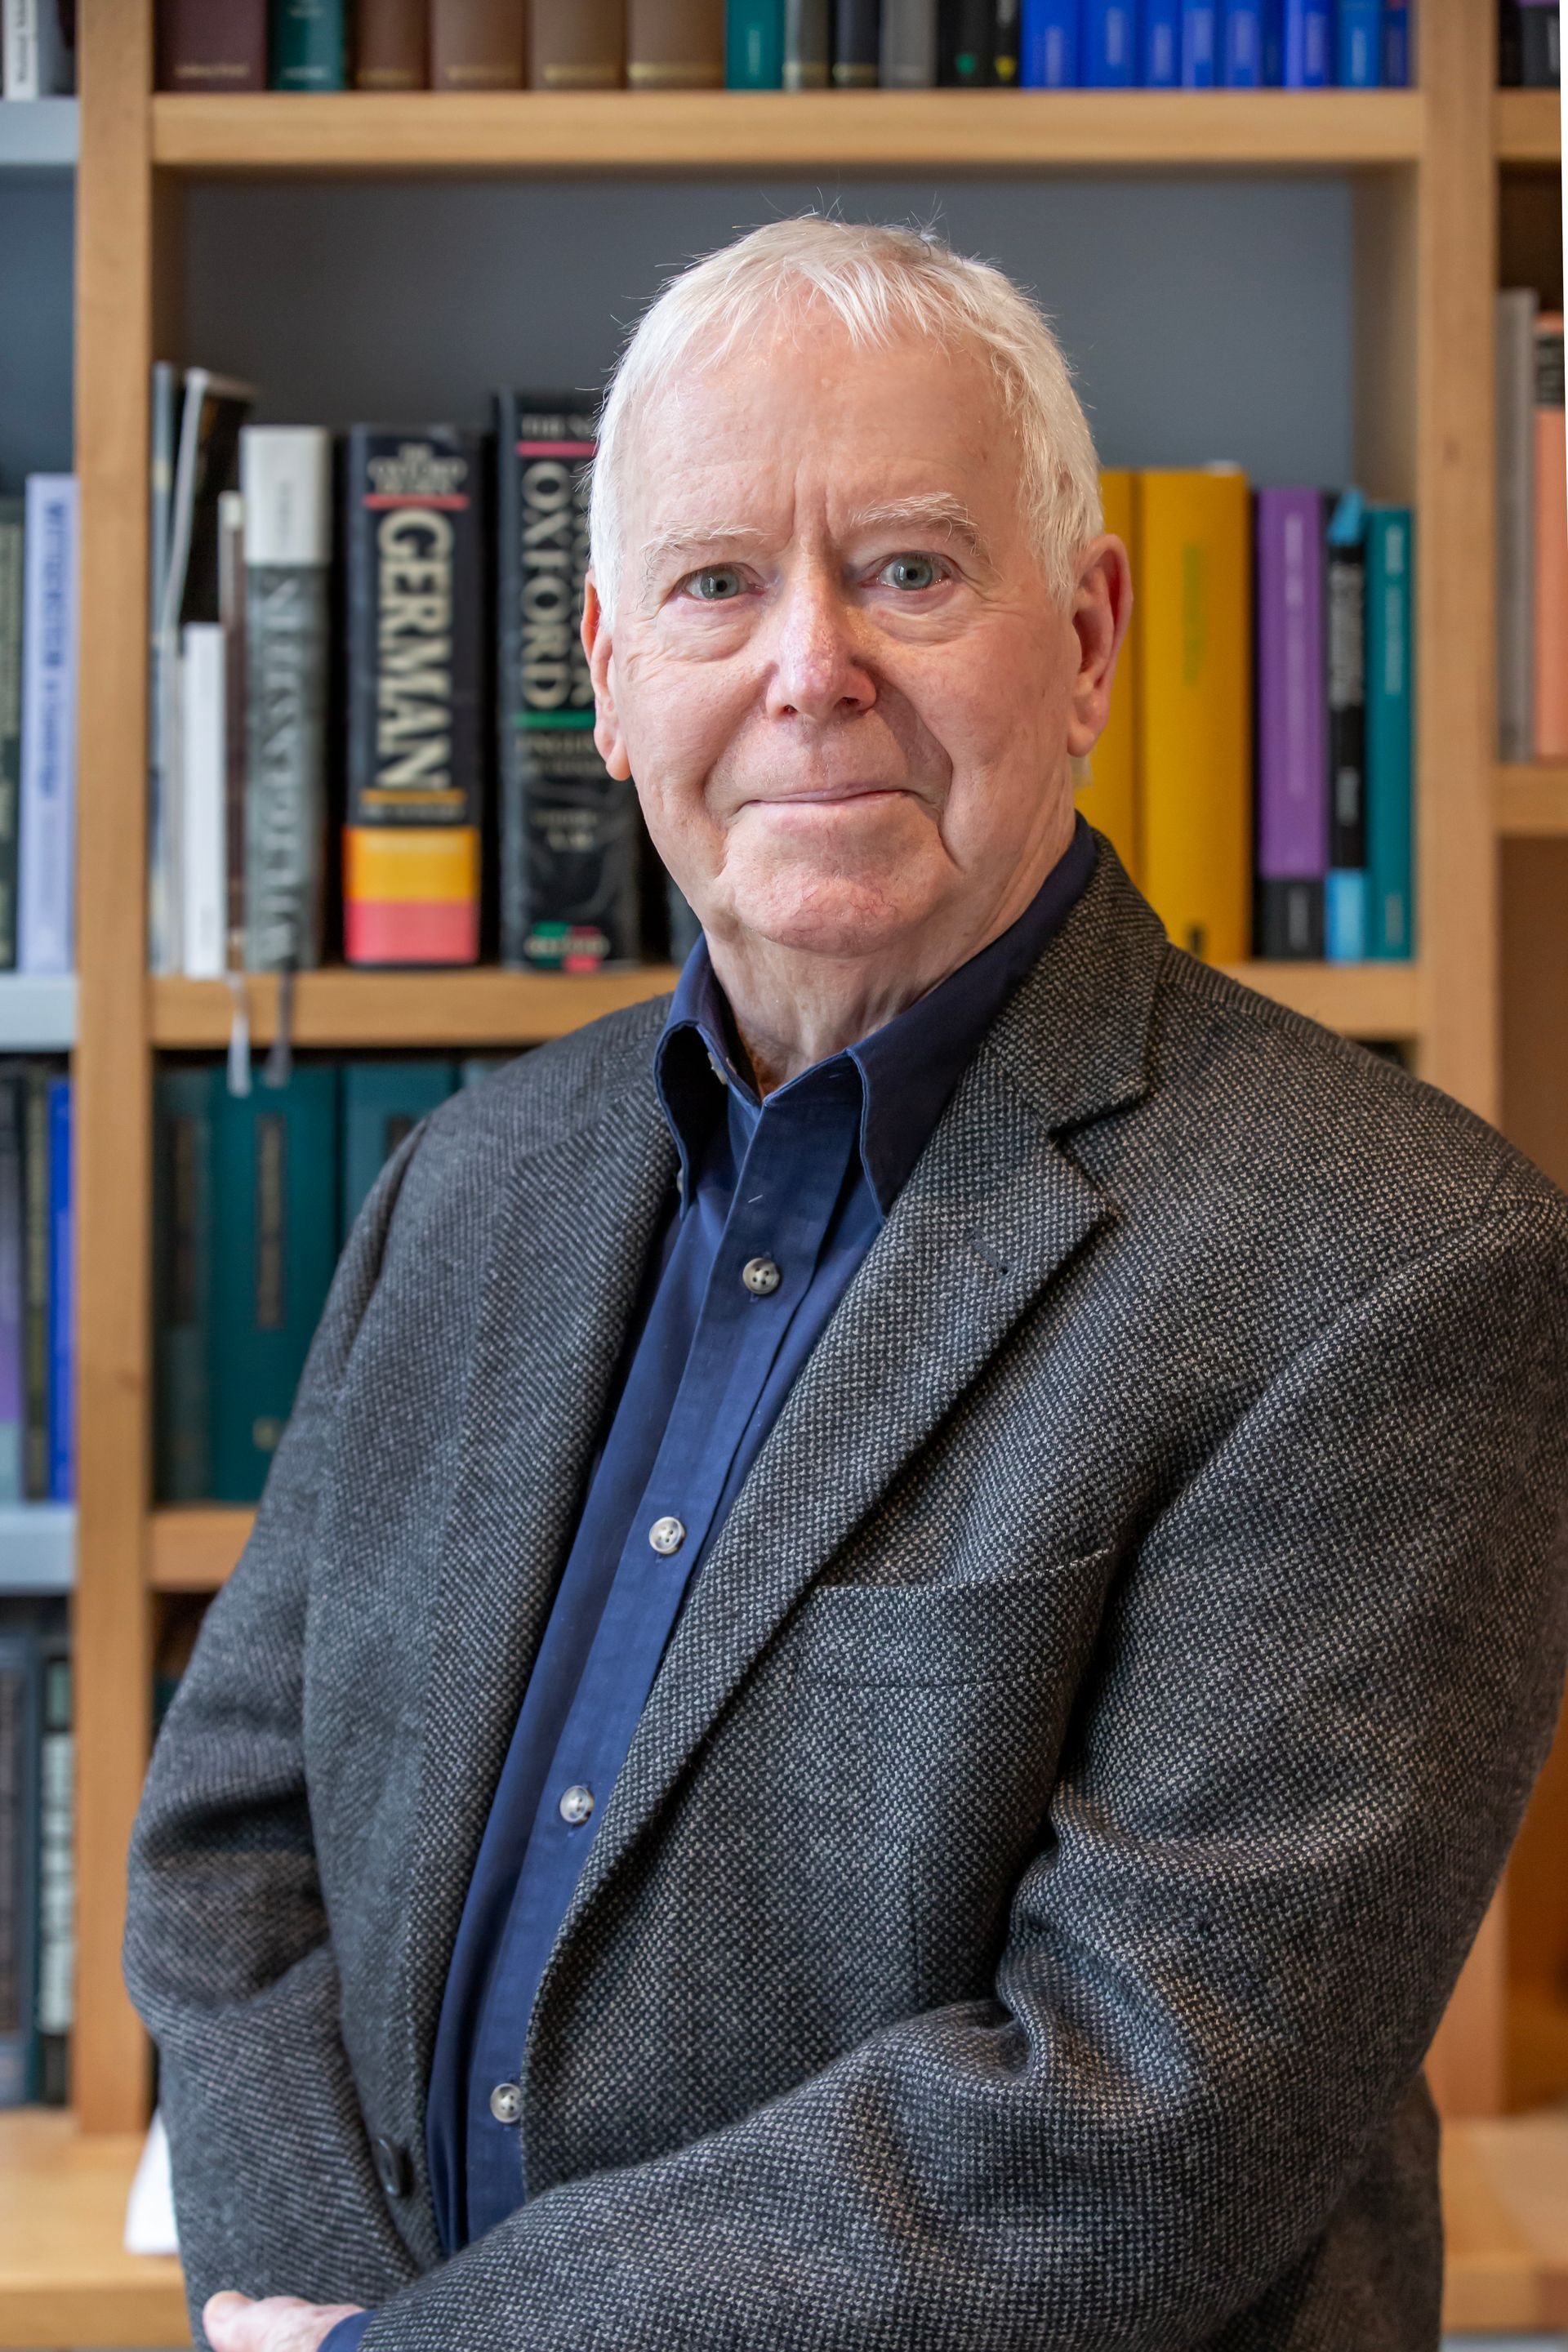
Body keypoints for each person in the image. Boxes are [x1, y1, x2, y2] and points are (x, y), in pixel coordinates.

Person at [126, 218, 1568, 2352]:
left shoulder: (1397, 1271)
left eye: (907, 569)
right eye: (720, 584)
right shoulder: (467, 1184)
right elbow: (232, 1860)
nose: (812, 667)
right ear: (610, 676)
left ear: (1084, 640)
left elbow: (1139, 2121)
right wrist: (325, 2307)